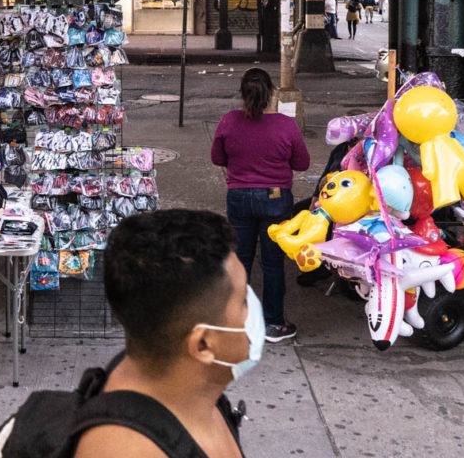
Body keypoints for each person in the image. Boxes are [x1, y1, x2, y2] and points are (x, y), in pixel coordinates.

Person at [74, 209, 263, 458]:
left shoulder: (186, 388)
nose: (254, 306)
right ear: (203, 345)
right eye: (243, 302)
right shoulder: (127, 450)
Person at [211, 68, 310, 343]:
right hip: (276, 199)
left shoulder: (229, 121)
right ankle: (274, 324)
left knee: (240, 260)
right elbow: (302, 163)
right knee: (273, 263)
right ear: (271, 95)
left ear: (242, 94)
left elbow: (217, 157)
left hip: (239, 197)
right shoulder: (286, 125)